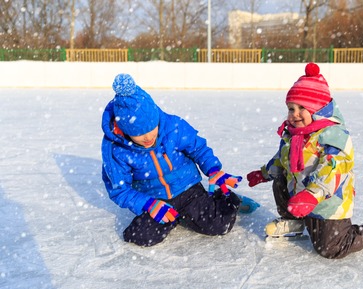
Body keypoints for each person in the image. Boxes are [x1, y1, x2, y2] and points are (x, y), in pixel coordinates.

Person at [101, 73, 259, 247]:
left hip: (188, 188)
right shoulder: (116, 149)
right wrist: (147, 204)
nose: (147, 138)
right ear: (124, 130)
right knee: (140, 237)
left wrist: (213, 170)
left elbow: (198, 148)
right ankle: (178, 215)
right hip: (156, 198)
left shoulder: (173, 127)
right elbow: (119, 189)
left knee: (220, 225)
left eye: (151, 129)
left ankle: (227, 198)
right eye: (138, 134)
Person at [246, 62, 363, 259]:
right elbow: (282, 159)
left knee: (330, 249)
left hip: (327, 200)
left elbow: (333, 170)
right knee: (280, 180)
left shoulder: (334, 136)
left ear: (319, 109)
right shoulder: (294, 134)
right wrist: (265, 172)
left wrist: (312, 195)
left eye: (302, 108)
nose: (294, 114)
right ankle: (294, 220)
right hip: (300, 194)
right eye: (291, 108)